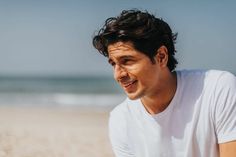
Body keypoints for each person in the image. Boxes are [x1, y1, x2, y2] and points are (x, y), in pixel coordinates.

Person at [92, 9, 236, 157]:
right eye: (113, 64)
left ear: (161, 57)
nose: (118, 75)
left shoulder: (217, 89)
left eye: (127, 61)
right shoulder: (121, 120)